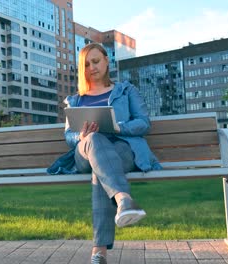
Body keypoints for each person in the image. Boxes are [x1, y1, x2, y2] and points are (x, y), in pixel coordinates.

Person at [47, 43, 162, 264]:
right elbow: (68, 136)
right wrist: (80, 136)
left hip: (122, 149)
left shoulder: (126, 90)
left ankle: (98, 253)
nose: (92, 67)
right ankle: (123, 199)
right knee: (94, 141)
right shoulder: (76, 99)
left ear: (107, 61)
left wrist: (118, 127)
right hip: (85, 150)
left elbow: (144, 123)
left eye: (96, 61)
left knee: (99, 171)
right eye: (86, 64)